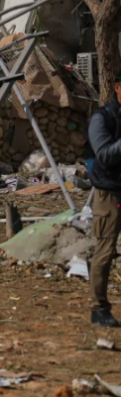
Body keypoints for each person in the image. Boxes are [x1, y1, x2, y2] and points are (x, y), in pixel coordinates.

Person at [89, 76, 121, 327]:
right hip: (109, 194)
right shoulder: (102, 118)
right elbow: (105, 155)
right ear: (118, 88)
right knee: (105, 251)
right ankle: (99, 308)